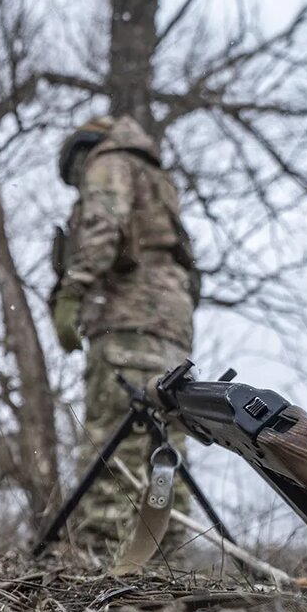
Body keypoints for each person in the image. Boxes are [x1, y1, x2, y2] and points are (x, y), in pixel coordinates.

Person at [50, 115, 200, 549]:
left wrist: (70, 293)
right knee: (165, 438)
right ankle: (167, 556)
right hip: (171, 326)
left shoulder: (108, 163)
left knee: (112, 436)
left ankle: (104, 552)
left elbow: (104, 227)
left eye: (76, 176)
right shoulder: (159, 181)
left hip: (126, 322)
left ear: (82, 153)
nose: (81, 184)